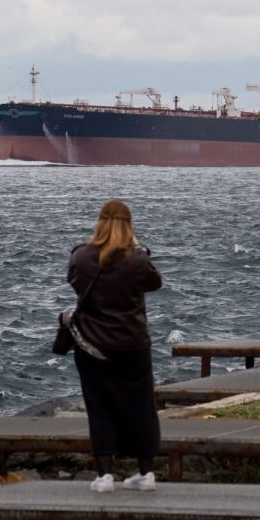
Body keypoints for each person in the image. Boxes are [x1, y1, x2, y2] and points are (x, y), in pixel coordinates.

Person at [67, 199, 163, 493]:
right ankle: (146, 473)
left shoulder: (81, 257)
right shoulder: (137, 259)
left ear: (99, 222)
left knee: (100, 408)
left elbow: (74, 281)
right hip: (133, 345)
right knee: (142, 407)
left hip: (93, 347)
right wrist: (138, 248)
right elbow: (155, 282)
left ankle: (104, 475)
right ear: (129, 225)